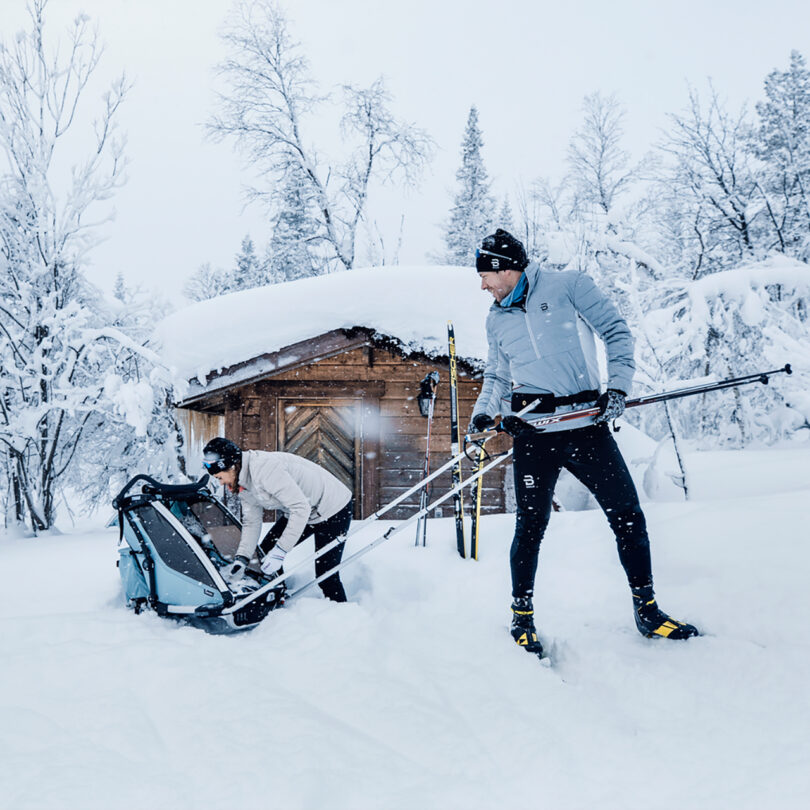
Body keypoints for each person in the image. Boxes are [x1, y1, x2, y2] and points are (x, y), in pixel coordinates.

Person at [469, 229, 698, 657]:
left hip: (585, 426)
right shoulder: (496, 318)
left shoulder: (568, 287)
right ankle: (522, 619)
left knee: (628, 515)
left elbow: (615, 331)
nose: (482, 285)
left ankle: (647, 610)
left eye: (486, 275)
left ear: (506, 268)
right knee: (530, 527)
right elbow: (498, 376)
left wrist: (618, 389)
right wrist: (485, 410)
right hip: (534, 433)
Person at [201, 437, 353, 602]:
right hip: (303, 510)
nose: (222, 483)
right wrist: (242, 558)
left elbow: (300, 508)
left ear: (231, 466)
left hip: (333, 509)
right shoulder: (242, 481)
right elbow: (251, 521)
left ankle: (343, 614)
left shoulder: (265, 470)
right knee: (266, 553)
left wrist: (281, 552)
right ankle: (279, 600)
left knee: (326, 574)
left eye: (219, 477)